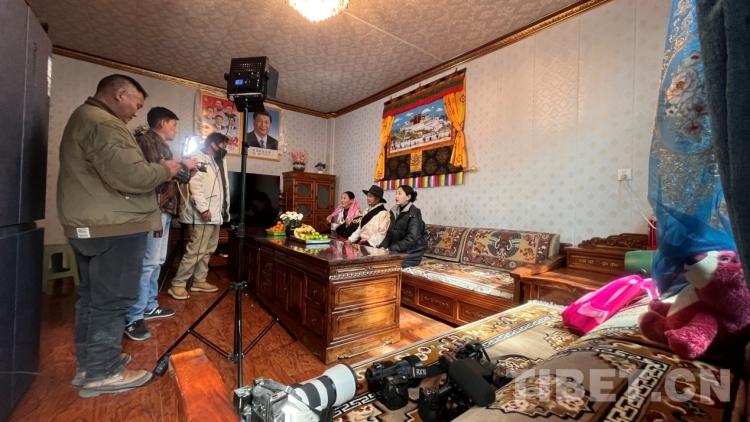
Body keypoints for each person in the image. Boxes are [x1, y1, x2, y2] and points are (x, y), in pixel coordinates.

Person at [57, 74, 182, 397]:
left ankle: (92, 365)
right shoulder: (104, 123)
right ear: (119, 94)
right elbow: (132, 175)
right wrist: (166, 169)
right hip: (114, 226)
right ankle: (104, 372)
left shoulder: (86, 117)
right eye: (136, 104)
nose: (137, 112)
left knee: (93, 299)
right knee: (112, 302)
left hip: (93, 224)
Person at [124, 107, 199, 341]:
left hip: (164, 209)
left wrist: (187, 170)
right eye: (174, 125)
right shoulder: (148, 141)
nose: (176, 130)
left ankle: (149, 305)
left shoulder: (162, 146)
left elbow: (173, 176)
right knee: (147, 263)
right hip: (153, 209)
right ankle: (134, 316)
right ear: (163, 123)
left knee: (156, 261)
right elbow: (156, 174)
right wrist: (182, 165)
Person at [169, 132, 231, 300]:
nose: (225, 149)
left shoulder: (219, 161)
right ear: (213, 145)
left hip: (216, 213)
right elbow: (194, 186)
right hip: (202, 214)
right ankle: (178, 284)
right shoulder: (196, 158)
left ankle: (199, 280)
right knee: (196, 250)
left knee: (208, 249)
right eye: (223, 145)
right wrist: (203, 209)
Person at [381, 185, 428, 268]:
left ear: (408, 197)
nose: (396, 196)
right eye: (396, 193)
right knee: (374, 259)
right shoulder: (394, 212)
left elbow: (412, 238)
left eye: (399, 193)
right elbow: (389, 234)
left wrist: (391, 249)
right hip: (399, 250)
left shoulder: (414, 213)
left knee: (385, 265)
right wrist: (382, 247)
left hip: (412, 252)